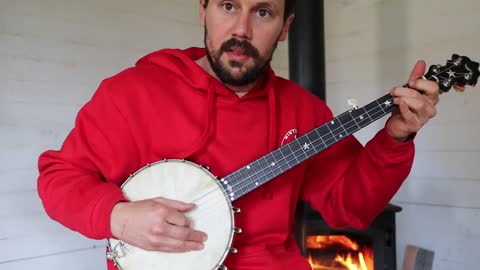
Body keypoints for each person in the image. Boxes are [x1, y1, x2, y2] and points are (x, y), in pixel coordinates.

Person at [37, 0, 440, 269]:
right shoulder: (132, 92)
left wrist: (396, 138)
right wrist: (117, 217)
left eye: (263, 12)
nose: (242, 29)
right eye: (229, 6)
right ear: (203, 11)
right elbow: (60, 179)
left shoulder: (304, 110)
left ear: (286, 28)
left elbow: (347, 208)